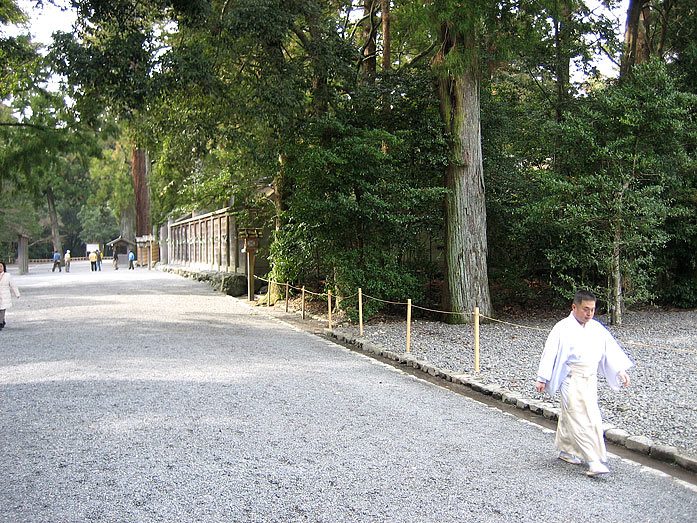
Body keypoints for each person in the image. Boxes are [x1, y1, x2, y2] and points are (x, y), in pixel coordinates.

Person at [534, 290, 633, 477]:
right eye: (585, 309)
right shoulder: (561, 328)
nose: (589, 313)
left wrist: (620, 370)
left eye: (592, 310)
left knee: (588, 415)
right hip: (570, 378)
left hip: (590, 379)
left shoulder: (596, 329)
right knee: (577, 416)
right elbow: (550, 353)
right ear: (574, 307)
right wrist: (542, 378)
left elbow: (609, 350)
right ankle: (592, 460)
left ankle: (567, 449)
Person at [0, 261, 21, 331]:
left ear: (4, 267)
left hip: (4, 295)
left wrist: (17, 294)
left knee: (2, 309)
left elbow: (13, 285)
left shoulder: (7, 275)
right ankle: (2, 320)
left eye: (1, 266)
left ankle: (0, 323)